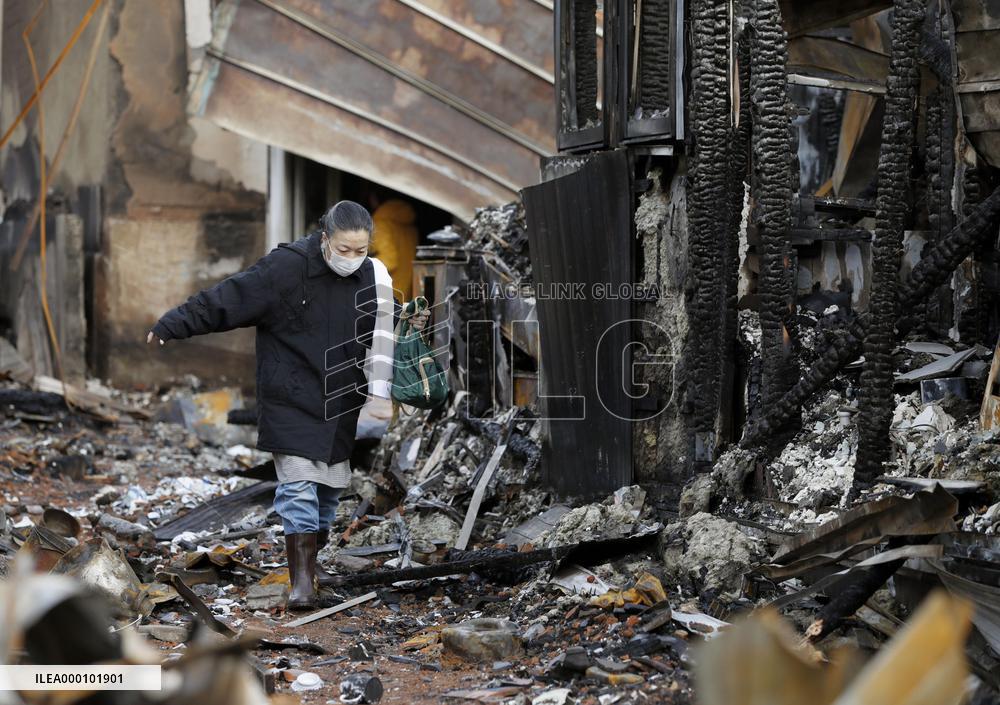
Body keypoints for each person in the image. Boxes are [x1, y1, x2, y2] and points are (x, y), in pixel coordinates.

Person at [148, 201, 428, 610]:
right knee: (298, 486)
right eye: (343, 250)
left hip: (339, 399)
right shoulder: (286, 267)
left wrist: (386, 376)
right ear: (324, 238)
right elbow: (231, 296)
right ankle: (301, 585)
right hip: (290, 393)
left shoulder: (375, 277)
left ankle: (312, 567)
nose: (352, 260)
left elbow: (381, 333)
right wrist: (173, 323)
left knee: (330, 489)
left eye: (361, 251)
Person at [368, 195, 419, 301]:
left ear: (374, 199)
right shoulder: (409, 226)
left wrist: (361, 269)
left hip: (387, 293)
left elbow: (389, 261)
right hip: (406, 292)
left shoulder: (380, 225)